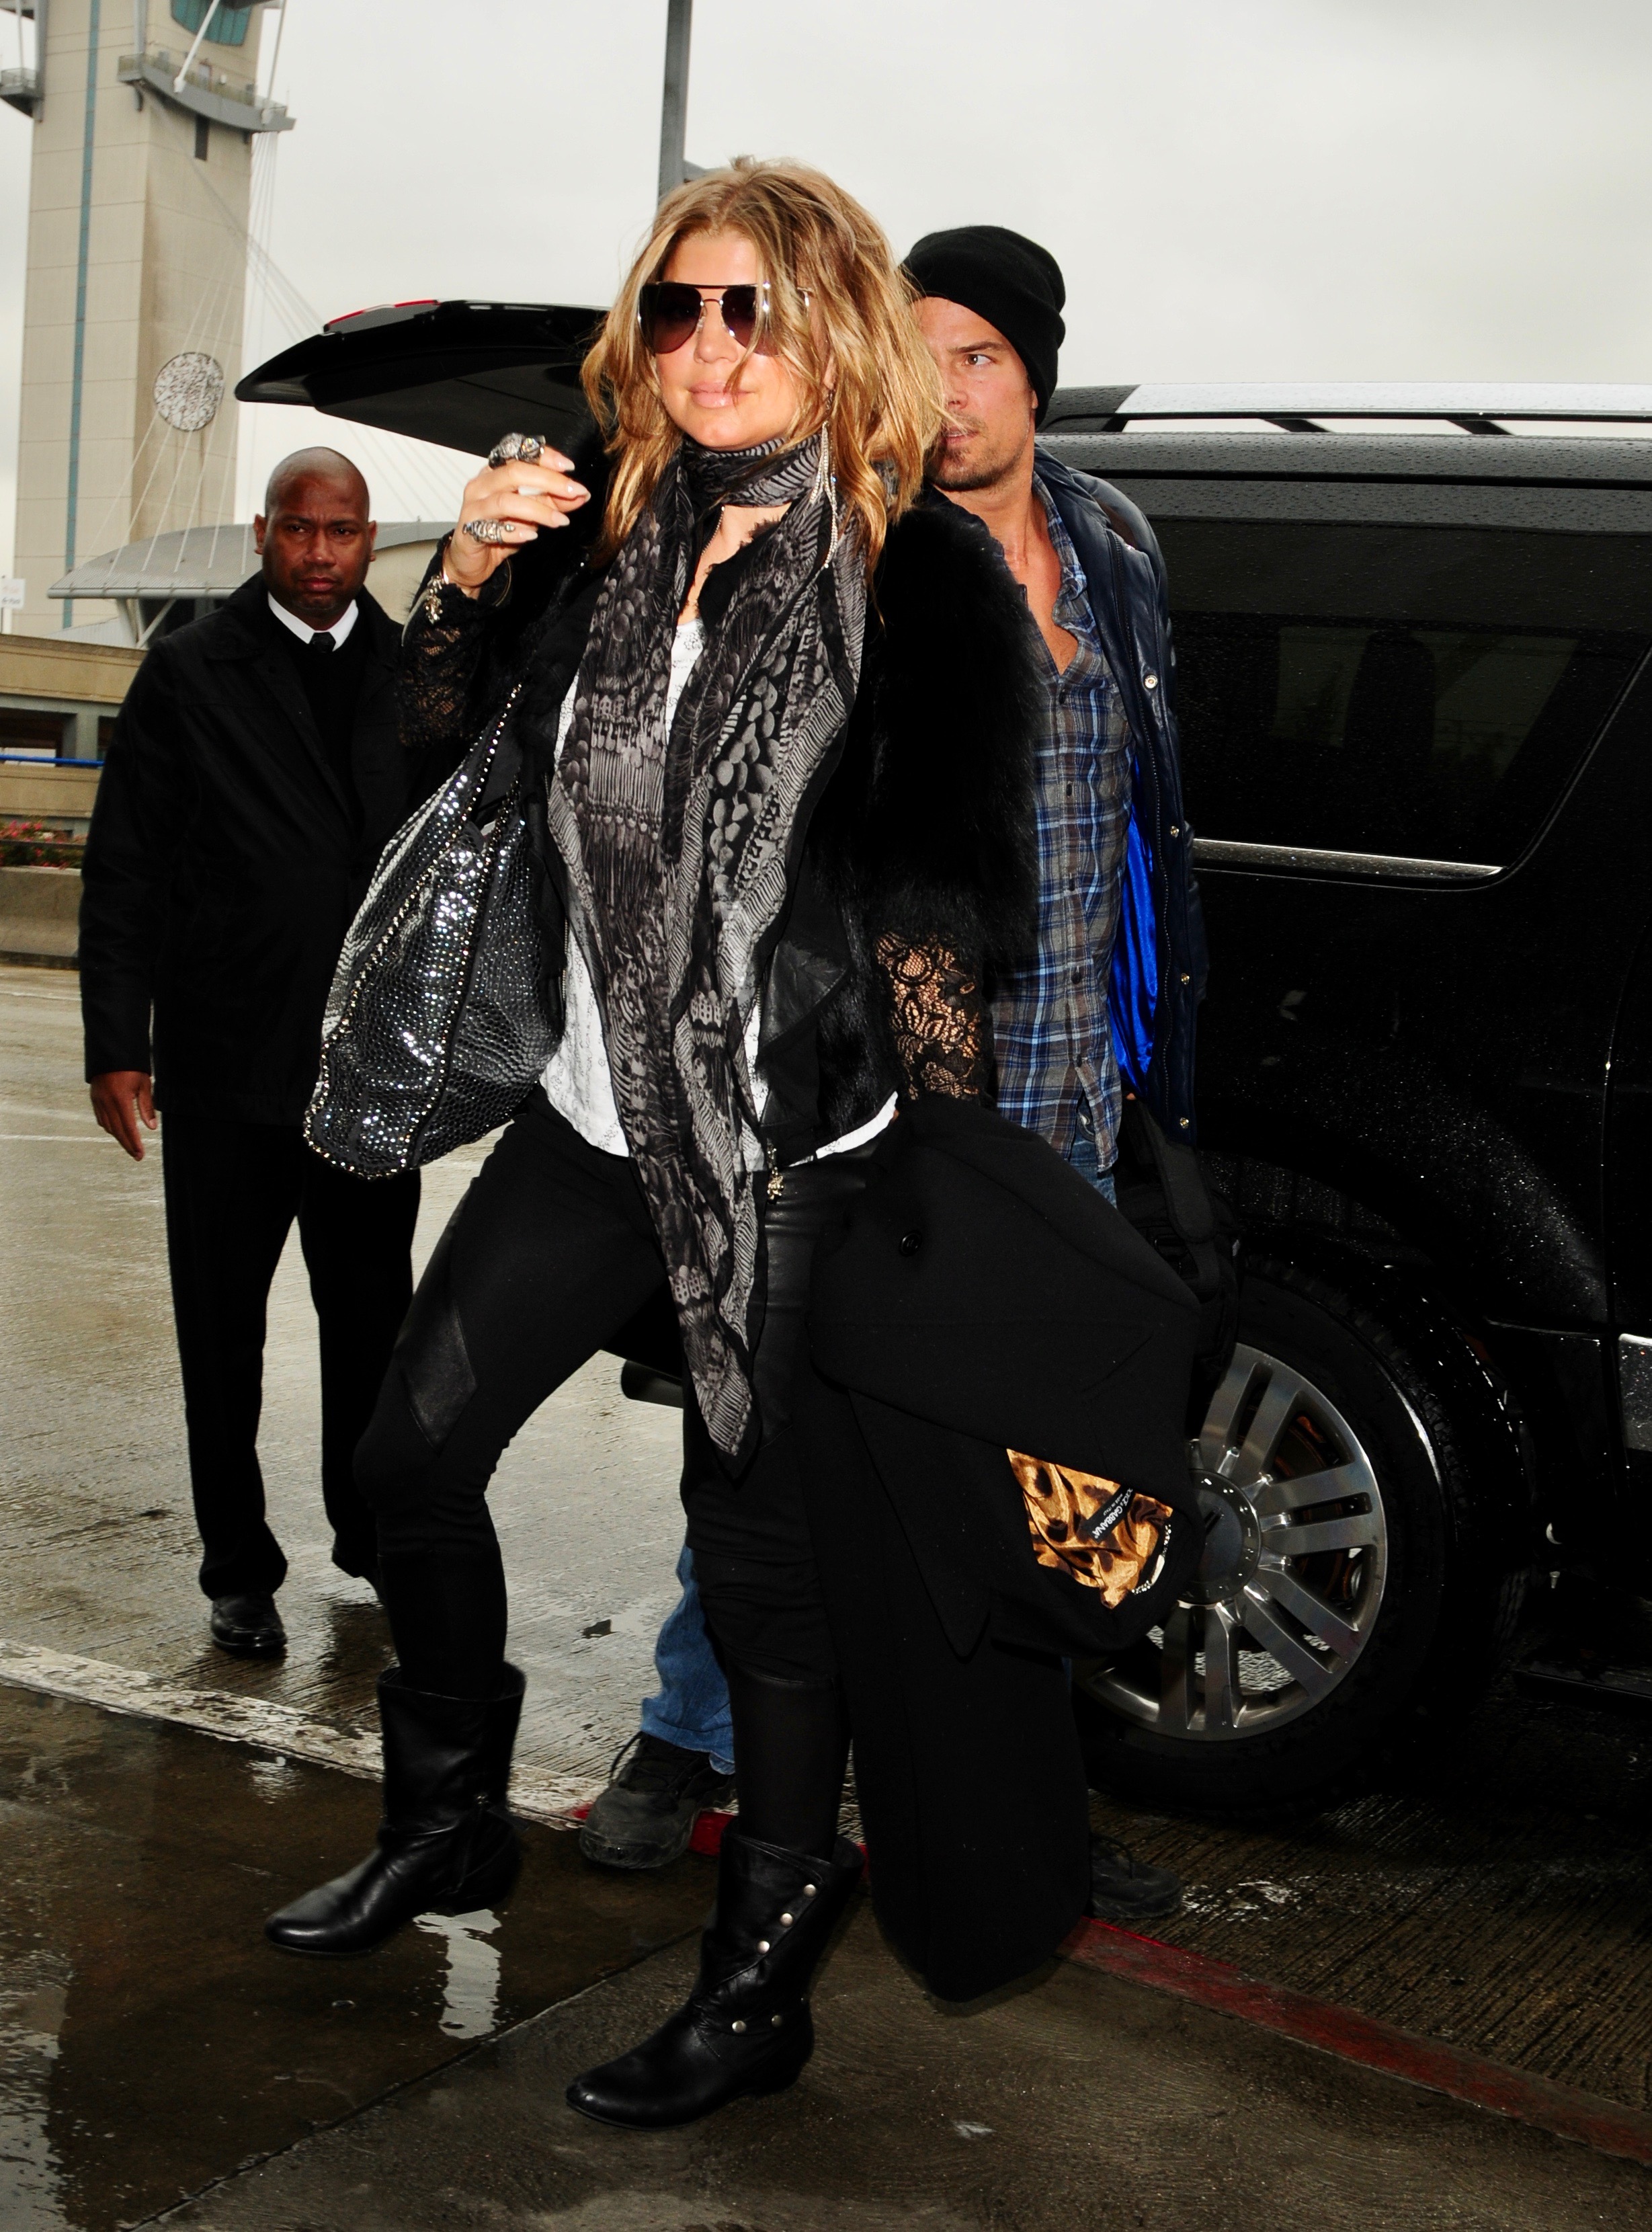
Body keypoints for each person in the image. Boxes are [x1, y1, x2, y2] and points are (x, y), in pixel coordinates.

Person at [261, 157, 1121, 2126]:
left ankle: (757, 1980)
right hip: (592, 1117)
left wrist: (936, 1198)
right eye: (677, 308)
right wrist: (463, 580)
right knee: (406, 1459)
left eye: (752, 309)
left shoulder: (916, 579)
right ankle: (449, 1818)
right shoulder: (604, 537)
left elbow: (941, 917)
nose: (710, 348)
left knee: (763, 1580)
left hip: (790, 1159)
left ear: (831, 326)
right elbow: (430, 769)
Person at [579, 223, 1205, 1925]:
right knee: (778, 1420)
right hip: (874, 1096)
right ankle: (691, 1732)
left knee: (1038, 1468)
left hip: (1065, 1090)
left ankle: (1025, 1798)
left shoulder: (1114, 547)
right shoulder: (863, 545)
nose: (941, 391)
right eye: (914, 354)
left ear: (1035, 379)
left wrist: (1158, 1055)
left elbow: (1151, 820)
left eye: (977, 357)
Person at [81, 450, 421, 1659]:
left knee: (371, 1328)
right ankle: (237, 1567)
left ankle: (369, 1538)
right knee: (221, 1334)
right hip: (227, 1061)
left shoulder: (413, 672)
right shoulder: (188, 671)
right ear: (263, 533)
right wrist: (116, 1043)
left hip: (369, 1075)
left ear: (369, 537)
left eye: (342, 531)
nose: (320, 554)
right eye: (297, 530)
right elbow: (125, 866)